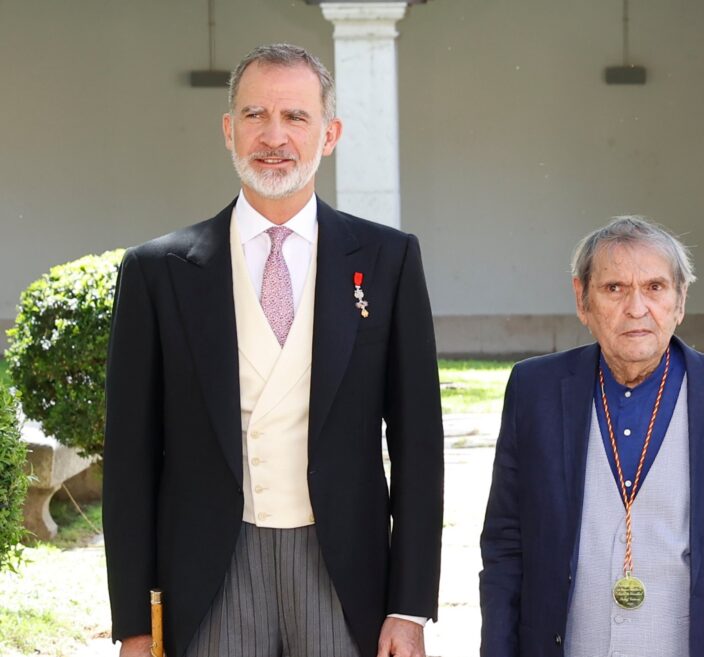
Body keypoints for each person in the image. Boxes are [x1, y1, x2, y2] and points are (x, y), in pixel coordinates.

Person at [103, 43, 444, 657]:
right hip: (210, 572)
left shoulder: (388, 260)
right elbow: (129, 462)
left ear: (330, 133)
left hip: (343, 571)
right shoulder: (159, 272)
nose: (274, 136)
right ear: (229, 130)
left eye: (296, 117)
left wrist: (409, 606)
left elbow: (418, 447)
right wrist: (134, 622)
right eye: (255, 115)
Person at [479, 218, 704, 657]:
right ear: (581, 299)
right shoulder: (536, 391)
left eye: (656, 287)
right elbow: (505, 546)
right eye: (614, 288)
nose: (636, 307)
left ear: (680, 300)